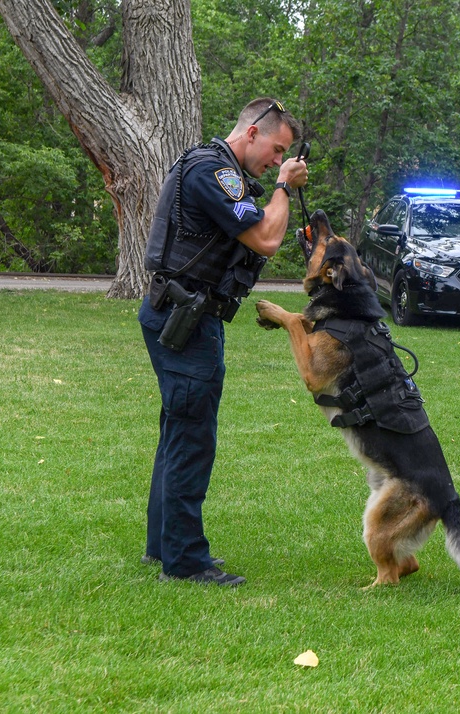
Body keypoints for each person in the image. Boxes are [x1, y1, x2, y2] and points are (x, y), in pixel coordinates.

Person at [138, 98, 308, 586]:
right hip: (187, 320)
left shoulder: (214, 169)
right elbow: (266, 238)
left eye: (282, 157)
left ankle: (163, 545)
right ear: (252, 132)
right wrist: (282, 188)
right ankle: (186, 562)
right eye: (276, 150)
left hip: (179, 313)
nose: (278, 161)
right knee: (192, 439)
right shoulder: (213, 171)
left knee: (178, 431)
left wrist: (275, 185)